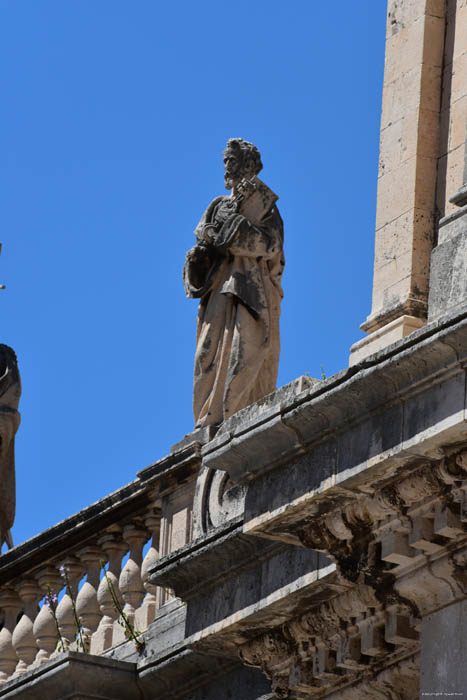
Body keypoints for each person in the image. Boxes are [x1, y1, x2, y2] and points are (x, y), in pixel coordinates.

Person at [183, 138, 284, 427]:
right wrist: (199, 256)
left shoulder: (266, 208)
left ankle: (235, 416)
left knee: (243, 354)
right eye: (225, 160)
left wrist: (238, 232)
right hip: (217, 293)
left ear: (248, 164)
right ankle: (207, 420)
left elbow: (272, 248)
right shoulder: (217, 206)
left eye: (232, 160)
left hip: (248, 289)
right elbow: (201, 250)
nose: (227, 165)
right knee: (206, 355)